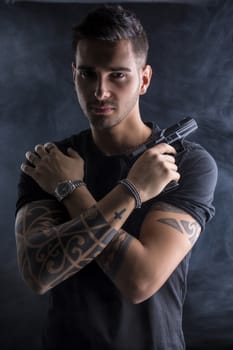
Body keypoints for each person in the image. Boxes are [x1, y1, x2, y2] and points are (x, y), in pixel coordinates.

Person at [15, 5, 217, 350]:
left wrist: (69, 190)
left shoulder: (185, 164)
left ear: (144, 79)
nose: (100, 91)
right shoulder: (51, 164)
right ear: (73, 74)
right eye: (88, 74)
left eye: (118, 75)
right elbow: (38, 274)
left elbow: (139, 281)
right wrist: (134, 189)